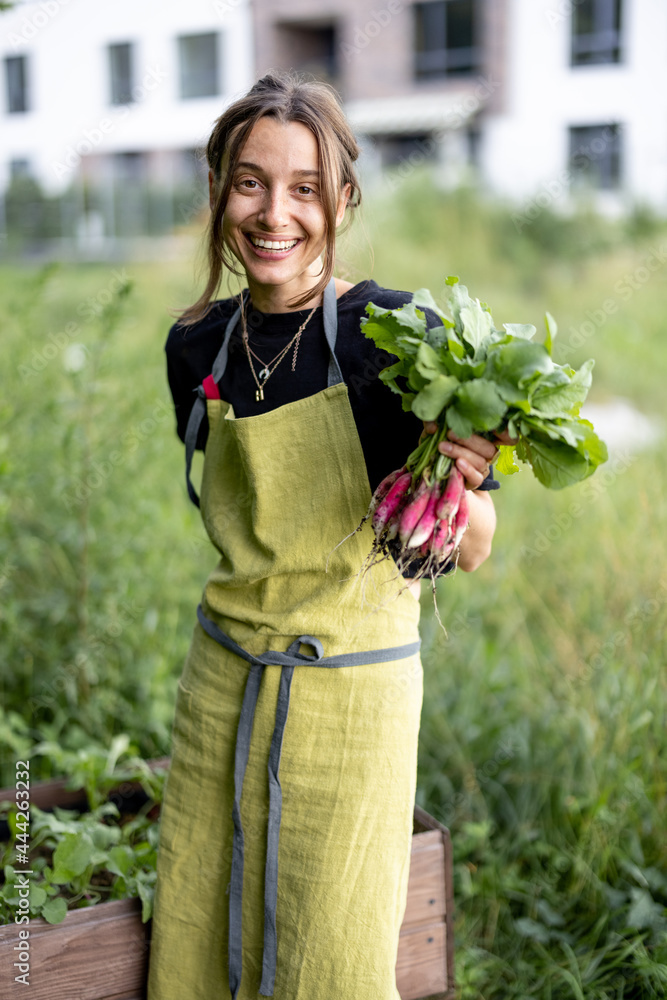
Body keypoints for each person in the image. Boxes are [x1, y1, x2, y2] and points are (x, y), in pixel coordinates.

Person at [147, 70, 505, 1000]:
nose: (274, 214)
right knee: (196, 925)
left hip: (348, 693)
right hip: (222, 680)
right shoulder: (198, 347)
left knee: (329, 958)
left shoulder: (393, 338)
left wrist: (458, 475)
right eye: (250, 181)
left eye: (304, 188)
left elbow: (472, 548)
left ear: (341, 199)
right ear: (220, 192)